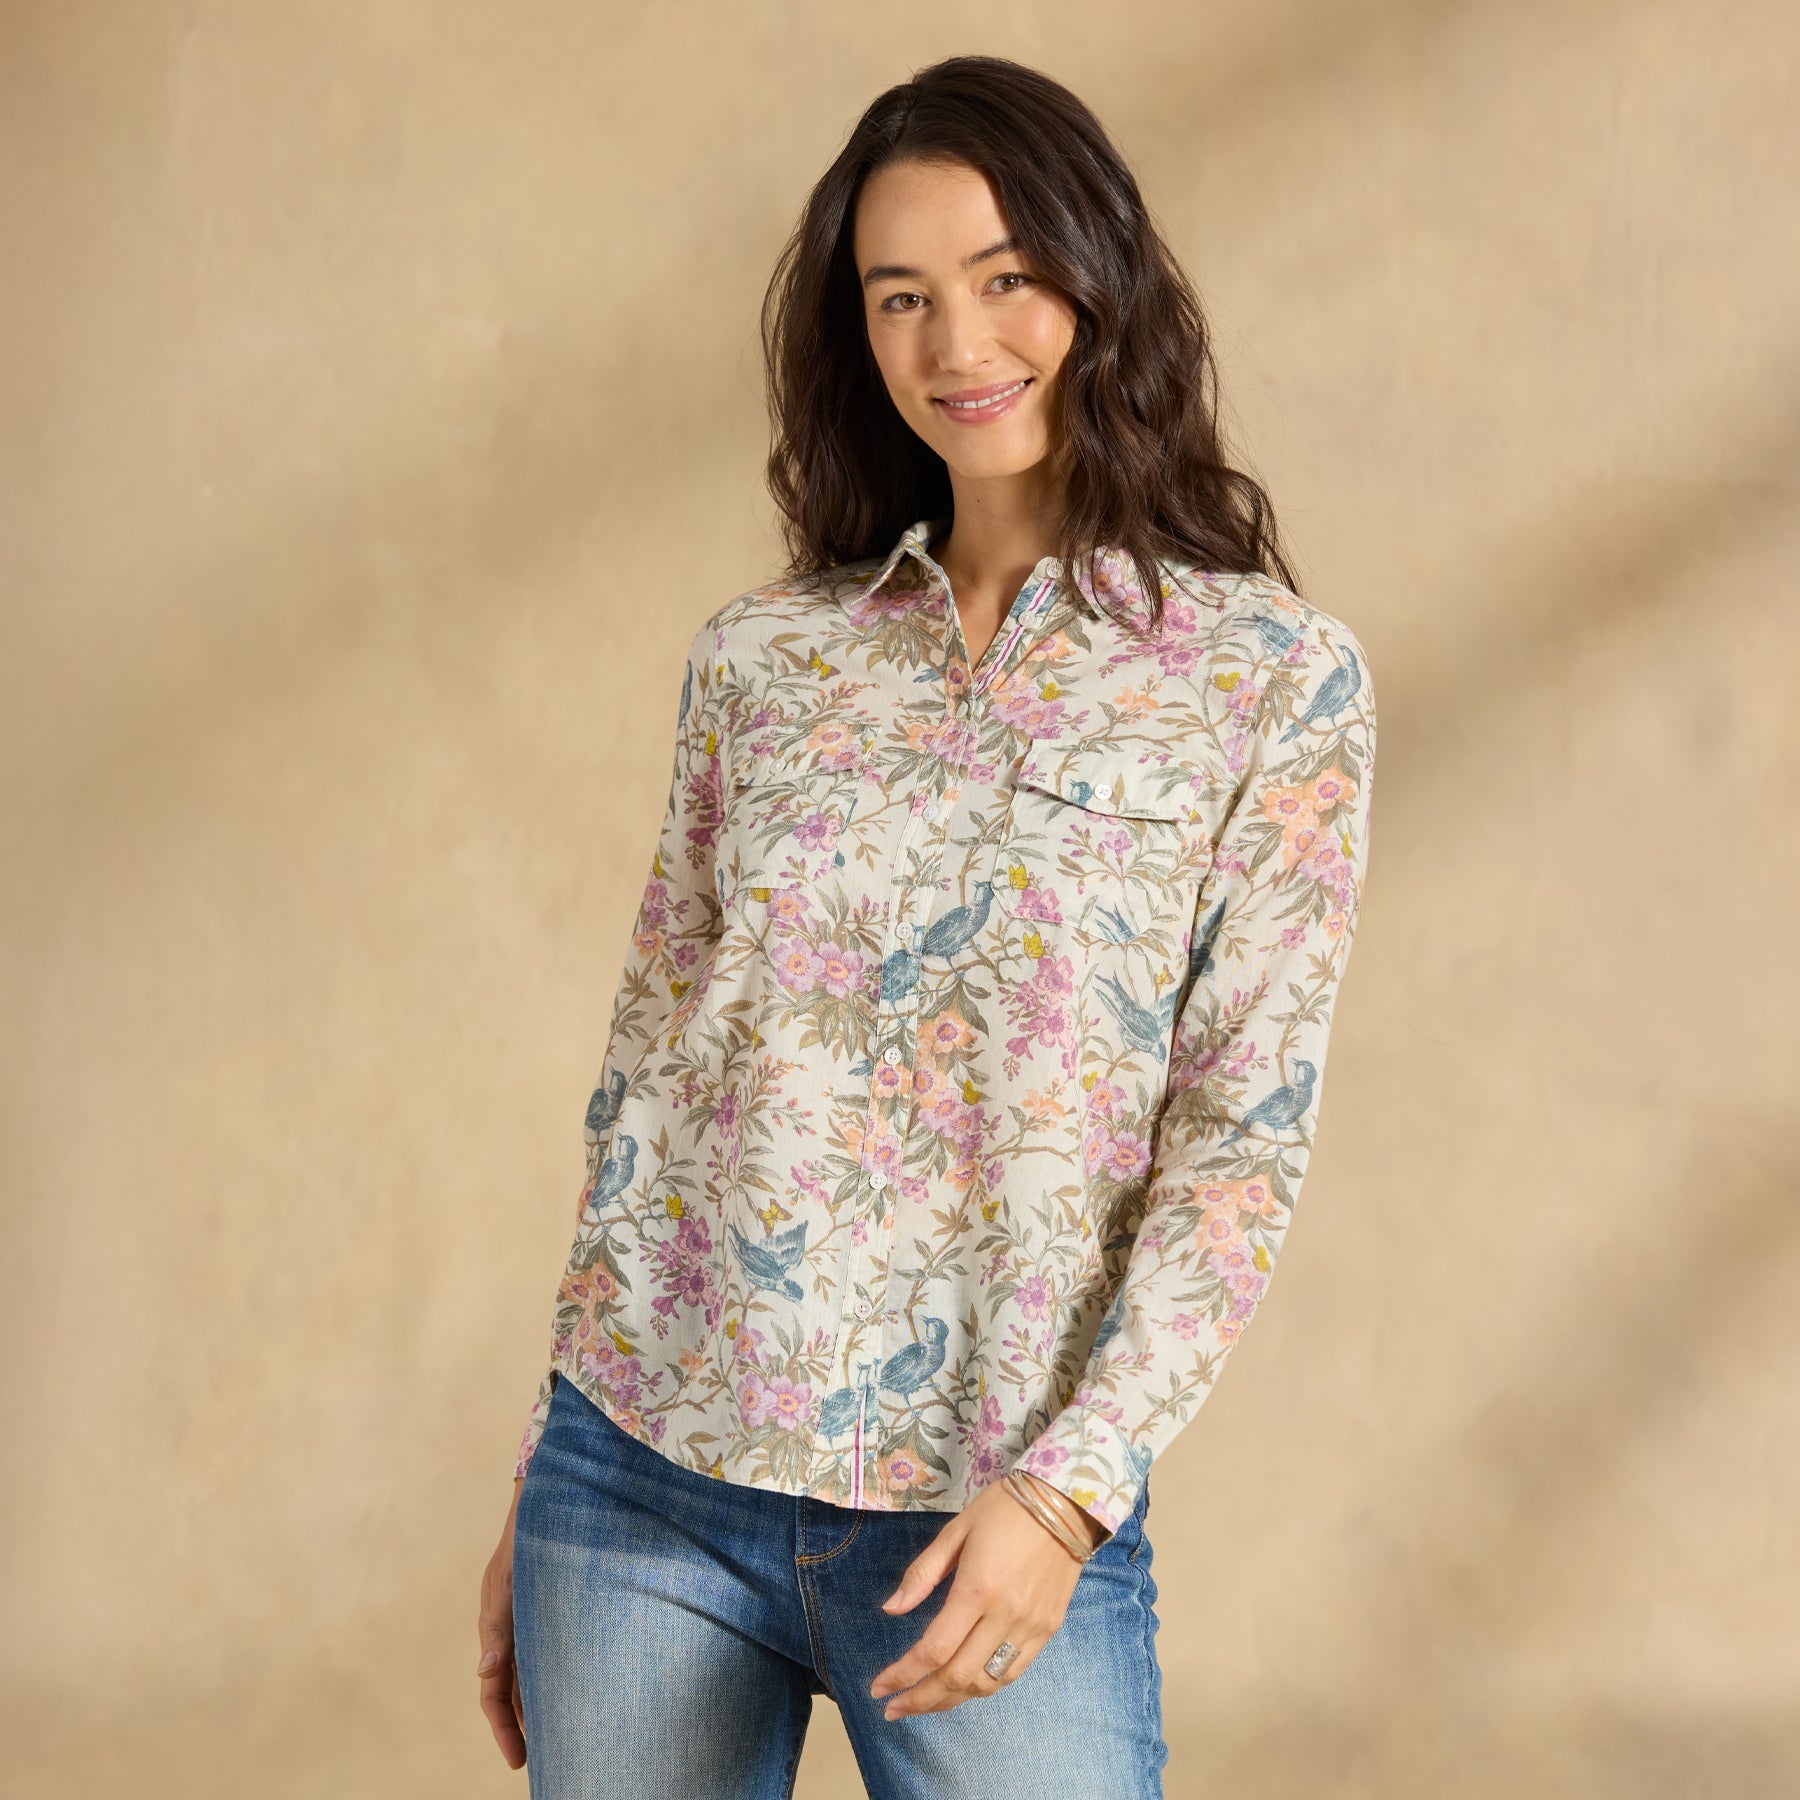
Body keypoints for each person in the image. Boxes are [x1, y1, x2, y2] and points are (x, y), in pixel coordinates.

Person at [477, 52, 1377, 1800]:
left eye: (1006, 277)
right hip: (645, 1479)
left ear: (1100, 282)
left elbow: (1239, 1145)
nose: (958, 343)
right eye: (902, 297)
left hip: (989, 1506)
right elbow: (651, 1088)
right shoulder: (765, 660)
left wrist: (1069, 1494)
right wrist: (548, 1459)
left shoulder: (1270, 681)